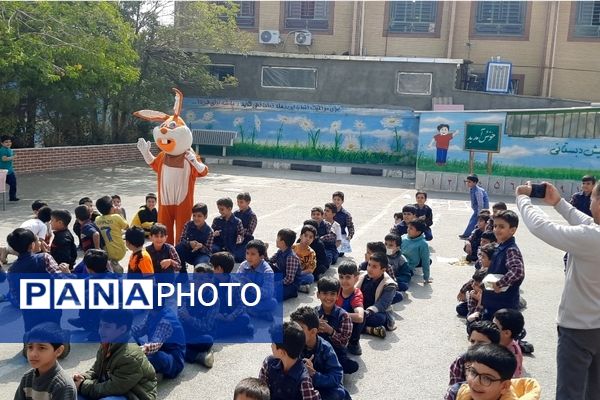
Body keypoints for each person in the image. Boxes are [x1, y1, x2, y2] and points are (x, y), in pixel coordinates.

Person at [516, 179, 600, 399]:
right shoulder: (593, 234)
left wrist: (523, 198)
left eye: (592, 198)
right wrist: (559, 203)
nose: (589, 202)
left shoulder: (592, 239)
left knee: (570, 393)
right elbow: (590, 223)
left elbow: (542, 227)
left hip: (578, 329)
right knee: (594, 390)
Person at [74, 310, 157, 400]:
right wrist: (83, 377)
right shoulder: (108, 342)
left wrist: (82, 385)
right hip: (114, 386)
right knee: (73, 393)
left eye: (107, 327)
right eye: (100, 325)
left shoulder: (129, 356)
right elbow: (96, 369)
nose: (101, 331)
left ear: (122, 329)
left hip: (134, 394)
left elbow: (113, 388)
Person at [290, 307, 348, 400]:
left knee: (338, 393)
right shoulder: (293, 344)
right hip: (302, 385)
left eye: (300, 329)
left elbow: (336, 377)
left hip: (321, 386)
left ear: (313, 331)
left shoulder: (326, 348)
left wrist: (314, 374)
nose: (295, 333)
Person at [258, 321, 321, 400]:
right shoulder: (268, 363)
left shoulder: (303, 380)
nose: (271, 346)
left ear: (281, 352)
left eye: (273, 343)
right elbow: (259, 392)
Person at [453, 344, 541, 400]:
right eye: (473, 372)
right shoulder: (462, 392)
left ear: (504, 386)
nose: (475, 382)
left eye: (486, 378)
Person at [481, 210, 524, 320]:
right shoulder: (500, 247)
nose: (496, 230)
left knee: (497, 331)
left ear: (512, 230)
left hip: (504, 304)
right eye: (495, 226)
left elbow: (517, 271)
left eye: (501, 227)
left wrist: (500, 283)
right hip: (494, 302)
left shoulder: (511, 250)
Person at [15, 323, 76, 399]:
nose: (33, 354)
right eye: (30, 347)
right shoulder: (27, 378)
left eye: (41, 348)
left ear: (58, 351)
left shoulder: (62, 386)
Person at [314, 277, 358, 375]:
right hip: (316, 351)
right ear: (318, 295)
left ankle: (329, 369)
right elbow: (304, 336)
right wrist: (314, 329)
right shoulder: (313, 313)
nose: (328, 298)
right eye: (325, 293)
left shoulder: (344, 316)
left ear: (338, 296)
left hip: (335, 352)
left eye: (332, 294)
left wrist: (330, 331)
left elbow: (343, 343)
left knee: (351, 366)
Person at [132, 302, 186, 381]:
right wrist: (125, 330)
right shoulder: (152, 313)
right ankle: (155, 374)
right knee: (132, 340)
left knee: (157, 357)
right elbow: (140, 330)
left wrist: (138, 351)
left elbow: (155, 344)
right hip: (159, 350)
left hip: (173, 359)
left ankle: (152, 375)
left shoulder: (165, 321)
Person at [446, 320, 501, 394]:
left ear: (494, 345)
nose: (474, 345)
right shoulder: (461, 361)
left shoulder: (501, 362)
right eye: (472, 341)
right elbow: (455, 390)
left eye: (481, 343)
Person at [179, 263, 217, 368]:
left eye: (201, 279)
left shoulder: (213, 299)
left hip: (200, 333)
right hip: (185, 330)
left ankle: (184, 352)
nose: (196, 282)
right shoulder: (186, 294)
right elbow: (178, 316)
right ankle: (199, 356)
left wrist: (188, 318)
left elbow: (207, 326)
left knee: (207, 340)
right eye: (195, 278)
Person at [210, 252, 254, 338]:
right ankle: (238, 330)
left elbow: (241, 305)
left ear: (219, 269)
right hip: (215, 315)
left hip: (229, 314)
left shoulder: (236, 284)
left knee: (245, 318)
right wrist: (217, 315)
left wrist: (231, 316)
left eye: (212, 266)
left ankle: (218, 332)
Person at [356, 252, 398, 337]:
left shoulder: (390, 284)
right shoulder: (363, 275)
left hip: (375, 312)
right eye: (369, 265)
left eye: (374, 267)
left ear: (383, 270)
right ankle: (369, 329)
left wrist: (367, 312)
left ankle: (361, 327)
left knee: (379, 319)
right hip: (360, 308)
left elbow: (382, 304)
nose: (370, 269)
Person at [239, 240, 277, 321]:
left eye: (253, 254)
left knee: (272, 302)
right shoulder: (243, 265)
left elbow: (268, 293)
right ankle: (254, 312)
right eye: (247, 253)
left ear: (261, 256)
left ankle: (246, 310)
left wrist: (251, 286)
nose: (249, 257)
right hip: (245, 296)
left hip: (259, 299)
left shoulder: (267, 271)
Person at [335, 261, 364, 356]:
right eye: (341, 277)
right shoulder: (336, 289)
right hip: (334, 323)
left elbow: (360, 317)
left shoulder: (356, 294)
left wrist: (339, 313)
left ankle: (353, 342)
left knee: (365, 315)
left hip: (347, 325)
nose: (344, 281)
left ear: (356, 278)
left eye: (348, 277)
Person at [95, 195, 129, 273]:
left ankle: (111, 264)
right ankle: (114, 264)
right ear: (111, 208)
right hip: (120, 250)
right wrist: (120, 214)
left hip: (105, 252)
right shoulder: (116, 217)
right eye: (113, 204)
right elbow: (127, 227)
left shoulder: (97, 219)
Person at [176, 202, 214, 269]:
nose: (196, 218)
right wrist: (189, 243)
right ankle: (182, 273)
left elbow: (209, 251)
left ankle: (197, 277)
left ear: (205, 216)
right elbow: (181, 240)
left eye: (199, 216)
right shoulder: (188, 225)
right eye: (194, 215)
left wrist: (201, 246)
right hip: (188, 252)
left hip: (200, 255)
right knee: (178, 248)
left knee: (201, 265)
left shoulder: (210, 231)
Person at [269, 228, 302, 300]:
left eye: (278, 238)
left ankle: (293, 292)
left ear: (283, 242)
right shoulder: (280, 251)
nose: (276, 240)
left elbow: (289, 279)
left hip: (290, 285)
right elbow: (270, 261)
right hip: (281, 276)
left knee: (272, 294)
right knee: (267, 265)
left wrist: (275, 284)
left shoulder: (291, 257)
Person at [493, 309, 525, 378]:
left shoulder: (511, 356)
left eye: (495, 326)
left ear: (507, 333)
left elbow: (513, 381)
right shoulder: (497, 343)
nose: (490, 327)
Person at [212, 197, 245, 262]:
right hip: (218, 246)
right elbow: (210, 234)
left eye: (222, 209)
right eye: (219, 209)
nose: (220, 212)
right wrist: (214, 234)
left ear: (229, 209)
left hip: (231, 247)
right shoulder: (216, 220)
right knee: (214, 252)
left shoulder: (238, 222)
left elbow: (241, 234)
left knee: (239, 257)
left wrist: (240, 238)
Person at [401, 218, 432, 284]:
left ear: (418, 232)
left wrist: (426, 277)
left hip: (409, 266)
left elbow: (425, 261)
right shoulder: (403, 237)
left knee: (405, 279)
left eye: (411, 228)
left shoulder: (423, 244)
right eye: (408, 227)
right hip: (398, 262)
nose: (408, 230)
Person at [460, 175, 489, 239]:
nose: (467, 183)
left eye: (469, 182)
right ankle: (470, 234)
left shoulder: (478, 191)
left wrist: (480, 213)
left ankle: (467, 235)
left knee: (473, 221)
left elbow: (480, 203)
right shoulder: (472, 189)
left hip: (481, 210)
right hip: (478, 209)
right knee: (475, 222)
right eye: (467, 181)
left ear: (475, 183)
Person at [292, 225, 318, 293]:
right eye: (305, 236)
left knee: (310, 277)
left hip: (300, 274)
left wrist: (298, 273)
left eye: (311, 237)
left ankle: (293, 285)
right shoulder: (293, 247)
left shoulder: (311, 253)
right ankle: (299, 287)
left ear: (313, 240)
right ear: (300, 236)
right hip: (289, 271)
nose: (307, 239)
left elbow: (310, 269)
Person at [331, 192, 354, 256]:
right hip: (329, 236)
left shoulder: (346, 215)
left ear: (342, 201)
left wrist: (350, 236)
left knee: (339, 253)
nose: (336, 201)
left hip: (340, 236)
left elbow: (350, 227)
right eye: (334, 199)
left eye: (338, 200)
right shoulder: (328, 211)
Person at [0, 135, 18, 201]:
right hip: (3, 172)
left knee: (13, 183)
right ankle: (12, 197)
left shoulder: (9, 149)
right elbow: (3, 159)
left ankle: (12, 197)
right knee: (4, 185)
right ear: (2, 143)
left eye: (10, 142)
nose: (8, 143)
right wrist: (13, 157)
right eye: (6, 142)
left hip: (9, 171)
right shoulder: (3, 150)